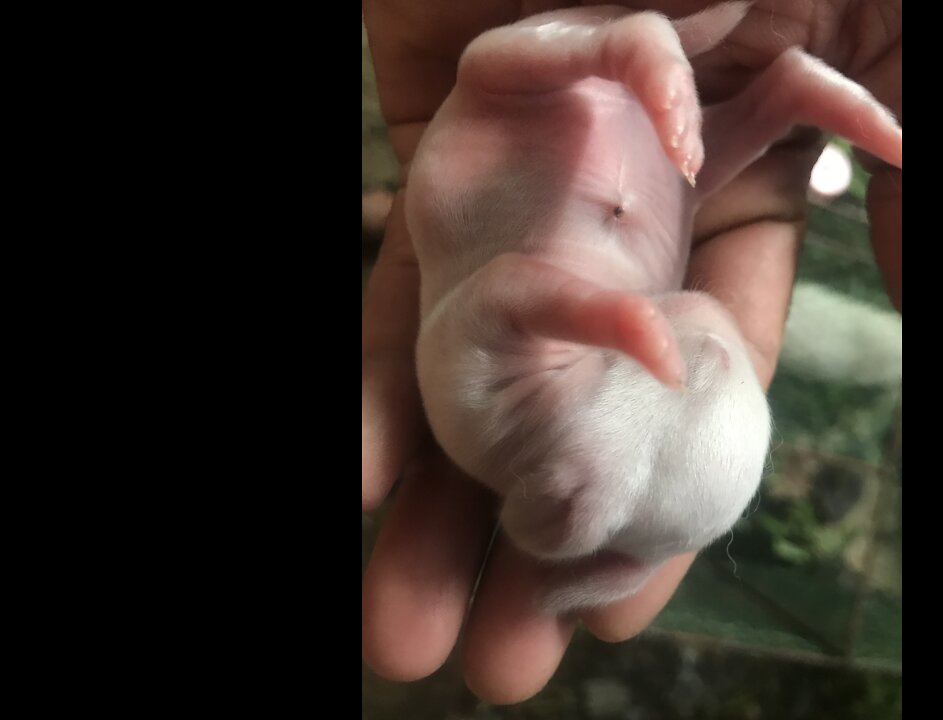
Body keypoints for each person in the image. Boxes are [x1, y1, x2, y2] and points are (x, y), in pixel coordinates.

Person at [361, 0, 902, 704]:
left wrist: (607, 316)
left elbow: (499, 293)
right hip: (647, 191)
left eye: (700, 375)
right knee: (700, 175)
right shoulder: (594, 438)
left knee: (500, 65)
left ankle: (631, 45)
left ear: (588, 482)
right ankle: (790, 90)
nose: (720, 336)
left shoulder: (481, 416)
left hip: (518, 105)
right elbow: (678, 200)